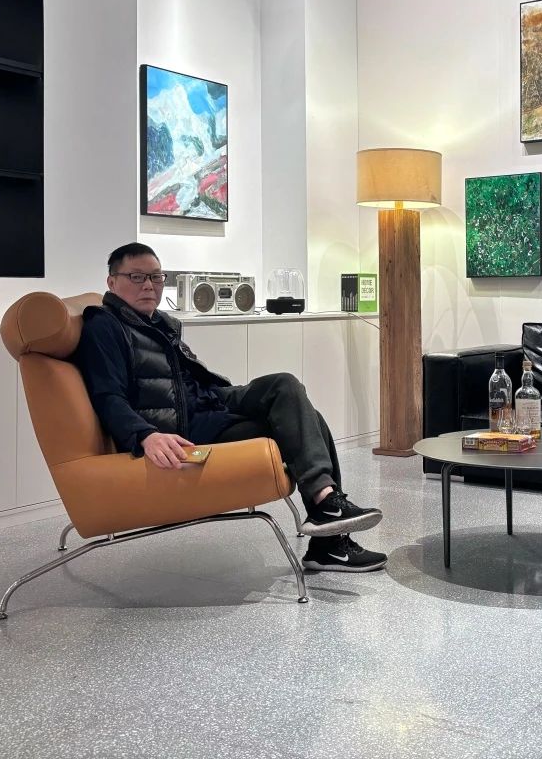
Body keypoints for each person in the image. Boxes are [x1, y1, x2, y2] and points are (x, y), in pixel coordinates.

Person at [74, 242, 386, 573]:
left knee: (285, 386)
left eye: (156, 276)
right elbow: (108, 396)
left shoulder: (159, 322)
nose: (149, 285)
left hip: (211, 402)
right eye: (137, 277)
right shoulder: (104, 325)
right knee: (309, 422)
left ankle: (327, 515)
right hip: (185, 428)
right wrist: (145, 436)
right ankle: (329, 533)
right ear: (112, 282)